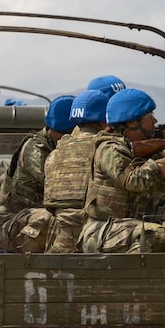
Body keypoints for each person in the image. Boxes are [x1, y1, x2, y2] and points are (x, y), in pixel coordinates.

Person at [77, 88, 165, 254]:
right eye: (149, 116)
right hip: (102, 230)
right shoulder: (109, 148)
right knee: (157, 237)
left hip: (131, 229)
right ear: (132, 122)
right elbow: (133, 181)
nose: (155, 121)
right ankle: (133, 279)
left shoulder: (151, 149)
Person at [0, 95, 75, 252]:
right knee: (55, 219)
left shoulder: (58, 145)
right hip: (15, 223)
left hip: (34, 217)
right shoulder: (36, 148)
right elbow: (58, 187)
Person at [42, 89, 110, 253]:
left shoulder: (56, 153)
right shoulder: (106, 149)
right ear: (104, 121)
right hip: (96, 239)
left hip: (60, 243)